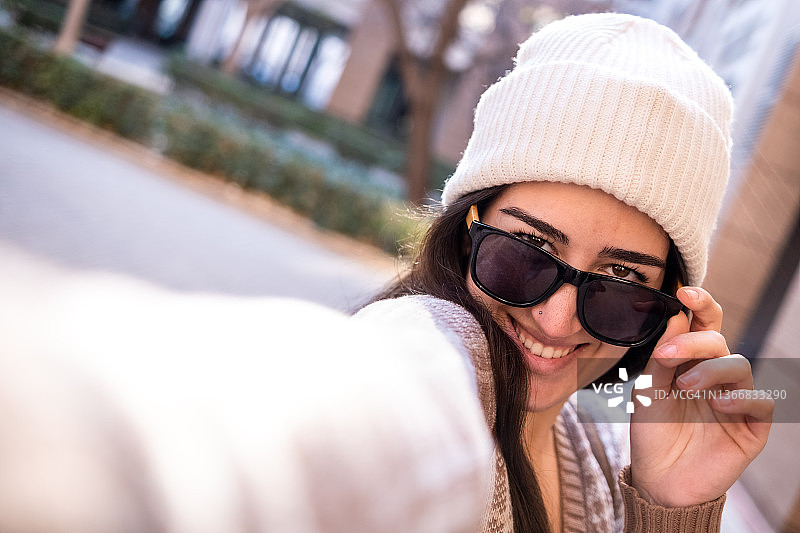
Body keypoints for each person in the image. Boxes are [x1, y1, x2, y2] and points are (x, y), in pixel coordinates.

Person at [355, 12, 773, 533]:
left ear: (669, 308)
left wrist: (670, 507)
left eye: (621, 277)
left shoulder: (601, 454)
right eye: (529, 248)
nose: (556, 321)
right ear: (466, 230)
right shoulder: (408, 366)